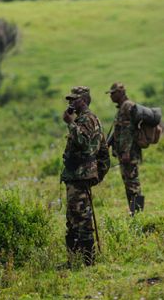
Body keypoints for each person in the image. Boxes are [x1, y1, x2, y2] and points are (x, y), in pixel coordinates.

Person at [61, 86, 103, 265]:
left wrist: (70, 123)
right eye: (69, 100)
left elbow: (85, 143)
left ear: (83, 101)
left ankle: (88, 260)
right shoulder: (82, 119)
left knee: (82, 219)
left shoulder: (87, 119)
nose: (71, 103)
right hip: (75, 175)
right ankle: (73, 260)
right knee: (72, 219)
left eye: (74, 99)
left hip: (80, 176)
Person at [106, 82, 144, 214]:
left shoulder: (127, 106)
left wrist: (126, 151)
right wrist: (109, 143)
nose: (111, 96)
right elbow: (119, 130)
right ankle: (134, 212)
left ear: (120, 93)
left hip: (129, 153)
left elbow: (128, 130)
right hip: (125, 153)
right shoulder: (122, 107)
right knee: (129, 183)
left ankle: (138, 213)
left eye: (113, 93)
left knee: (133, 183)